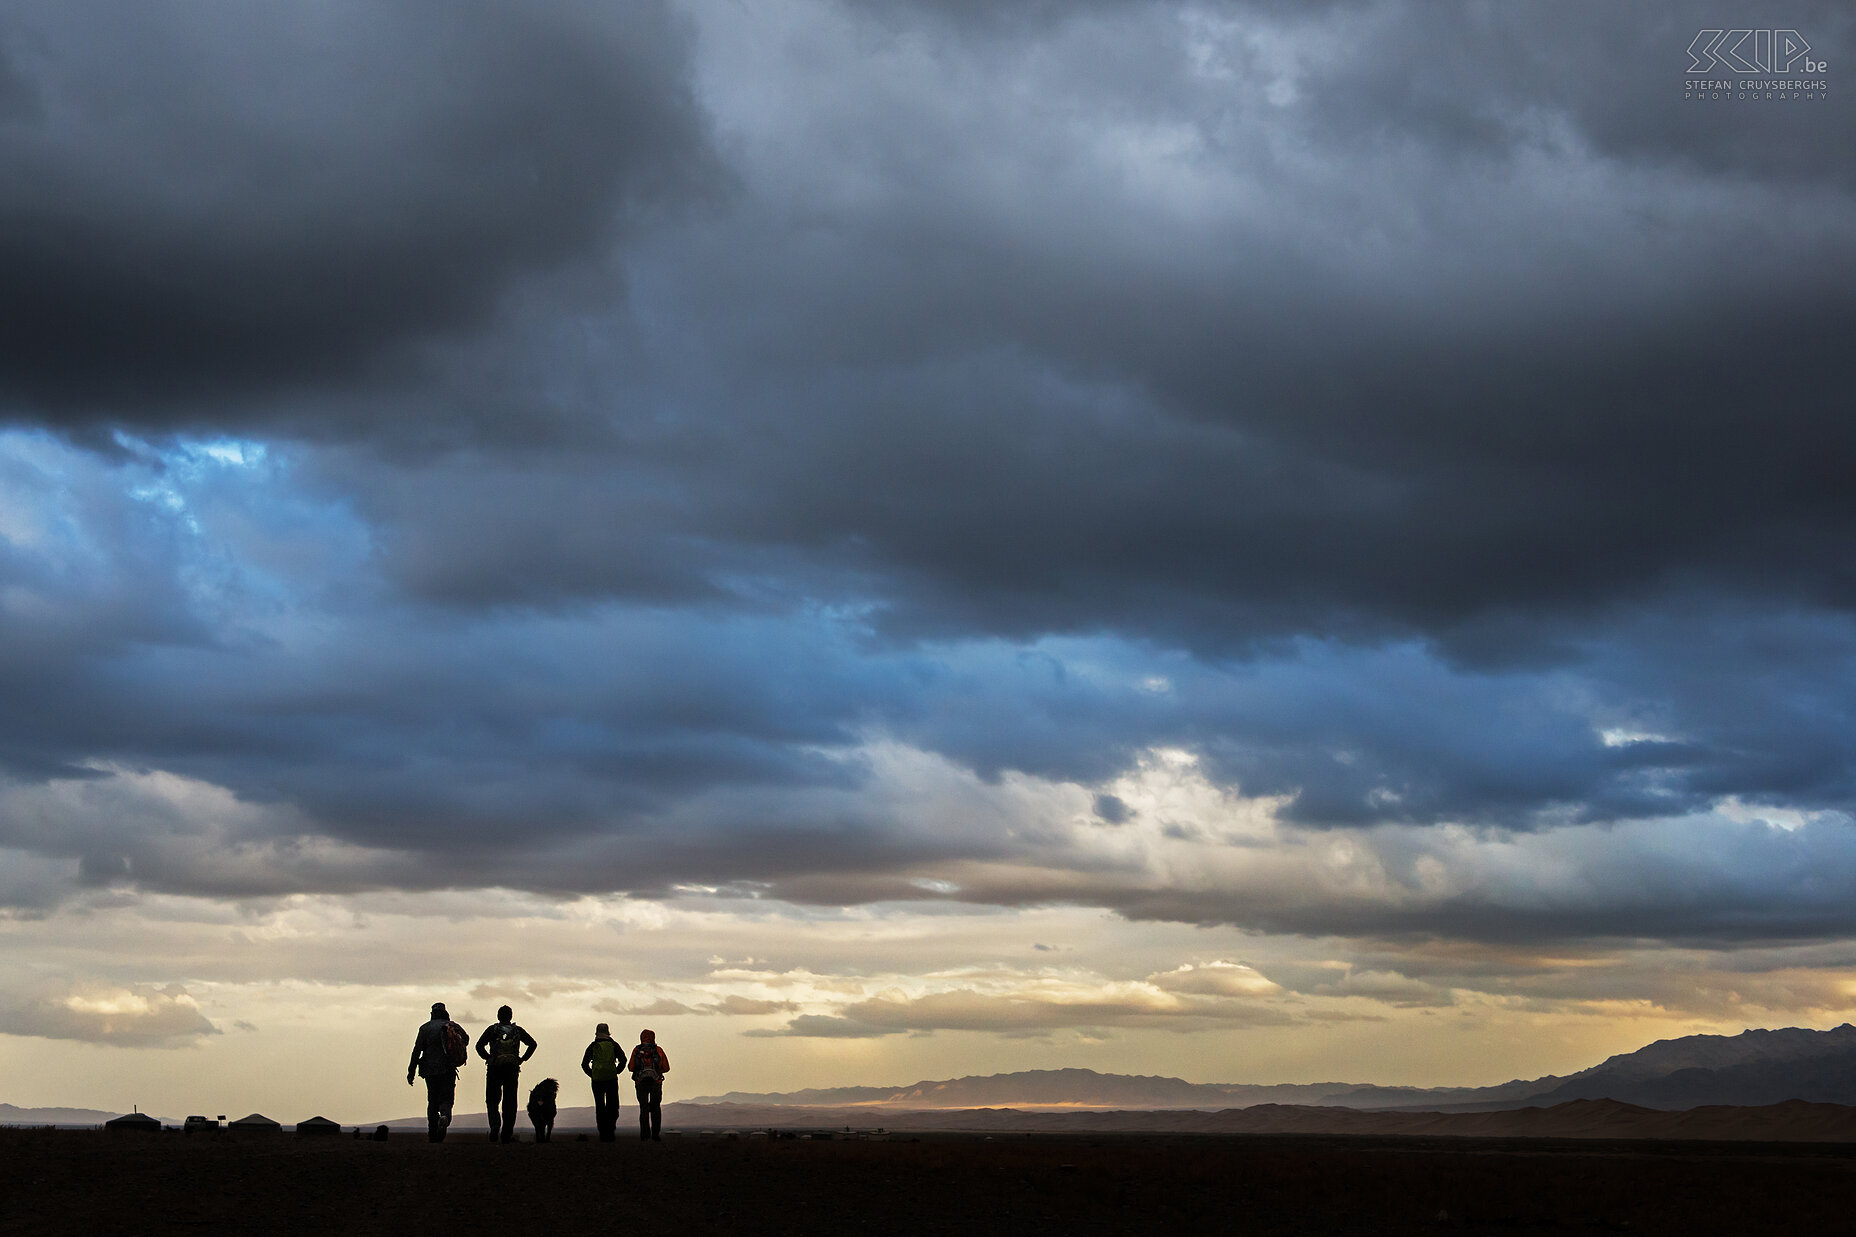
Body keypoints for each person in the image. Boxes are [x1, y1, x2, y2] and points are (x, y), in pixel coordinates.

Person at [475, 1004, 538, 1143]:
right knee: (510, 1102)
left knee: (492, 1100)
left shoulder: (492, 1030)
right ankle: (506, 1133)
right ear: (511, 1016)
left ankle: (495, 1126)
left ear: (498, 1016)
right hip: (512, 1069)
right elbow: (533, 1044)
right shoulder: (517, 1030)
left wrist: (488, 1058)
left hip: (494, 1069)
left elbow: (478, 1046)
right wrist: (522, 1059)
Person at [406, 1002, 462, 1142]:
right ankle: (444, 1116)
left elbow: (417, 1050)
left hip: (429, 1070)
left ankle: (432, 1133)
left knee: (432, 1100)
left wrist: (411, 1070)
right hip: (448, 1068)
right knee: (447, 1098)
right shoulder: (452, 1026)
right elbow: (466, 1039)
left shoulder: (425, 1028)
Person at [580, 1023, 624, 1142]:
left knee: (600, 1107)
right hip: (611, 1080)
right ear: (608, 1031)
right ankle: (611, 1132)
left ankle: (602, 1133)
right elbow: (623, 1060)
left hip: (597, 1081)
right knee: (613, 1106)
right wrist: (616, 1072)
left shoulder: (592, 1046)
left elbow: (584, 1064)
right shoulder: (614, 1045)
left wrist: (593, 1074)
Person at [628, 1027, 668, 1142]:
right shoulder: (658, 1050)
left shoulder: (636, 1050)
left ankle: (644, 1135)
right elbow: (666, 1067)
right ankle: (655, 1134)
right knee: (655, 1108)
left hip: (640, 1083)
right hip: (656, 1082)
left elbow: (631, 1067)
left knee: (644, 1108)